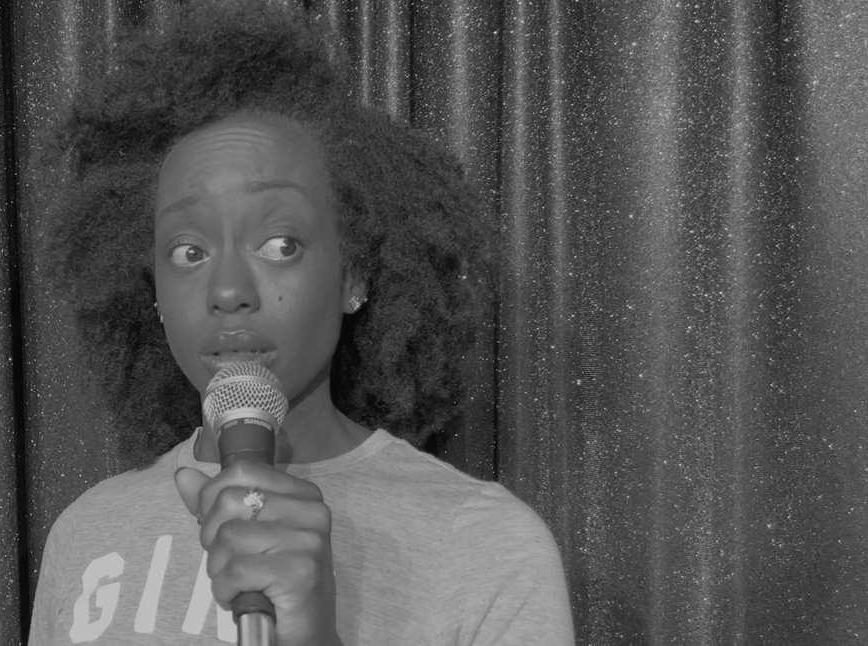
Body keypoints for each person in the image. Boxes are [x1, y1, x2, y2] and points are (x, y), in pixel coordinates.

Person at [29, 2, 573, 644]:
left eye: (280, 244)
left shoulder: (484, 547)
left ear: (353, 276)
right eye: (189, 252)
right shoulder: (86, 534)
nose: (228, 291)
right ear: (152, 291)